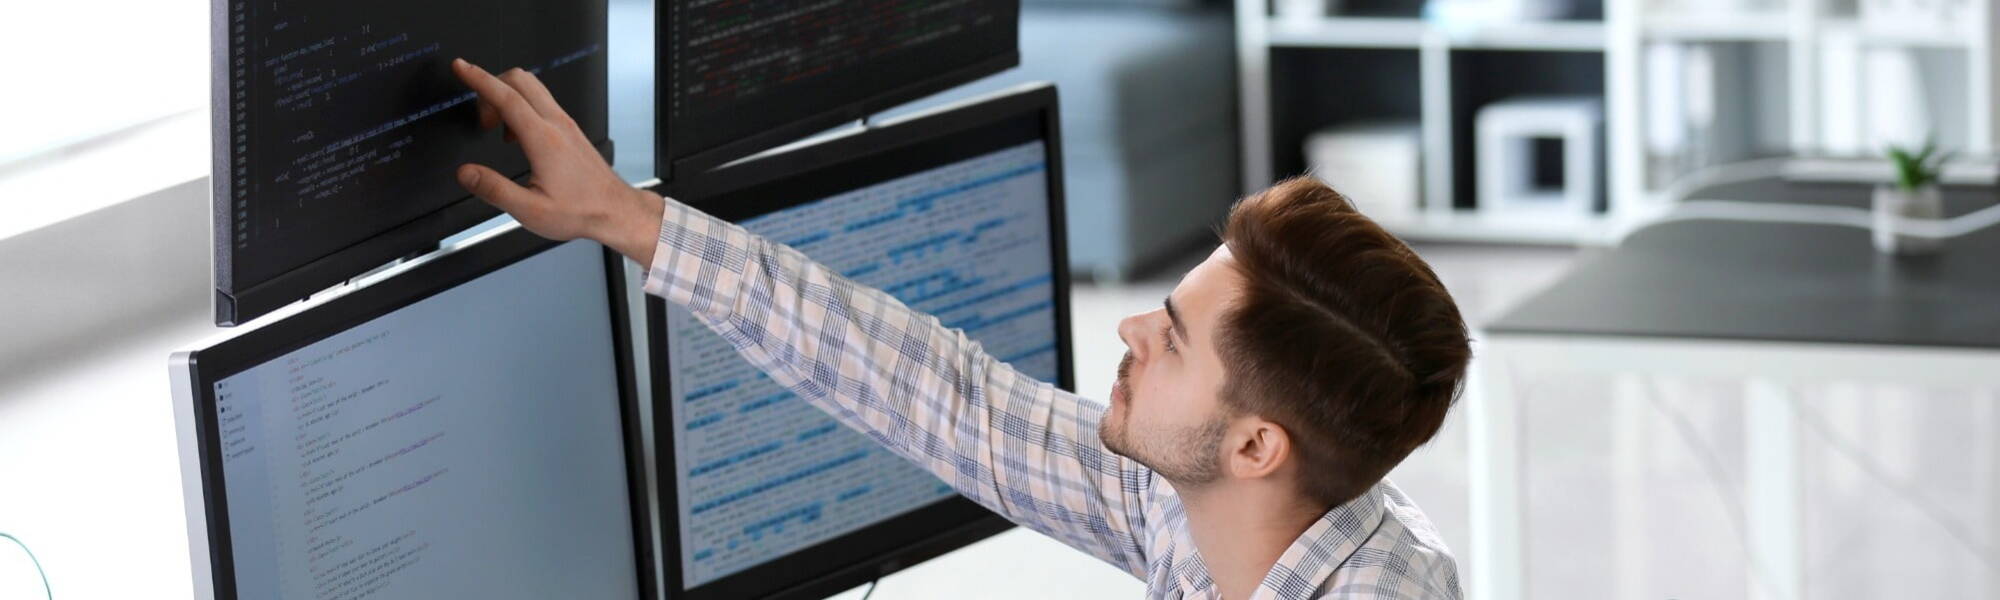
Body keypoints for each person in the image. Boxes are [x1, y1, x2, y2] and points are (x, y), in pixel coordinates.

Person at [448, 58, 1471, 600]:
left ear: (1255, 445)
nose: (1124, 330)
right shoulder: (1220, 512)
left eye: (1169, 340)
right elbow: (951, 402)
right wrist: (623, 218)